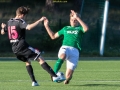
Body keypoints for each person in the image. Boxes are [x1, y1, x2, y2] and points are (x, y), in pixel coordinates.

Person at [1, 6, 64, 86]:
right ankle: (54, 76)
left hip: (15, 49)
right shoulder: (20, 21)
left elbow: (2, 32)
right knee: (40, 58)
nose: (25, 17)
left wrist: (3, 28)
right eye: (25, 15)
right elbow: (29, 27)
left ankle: (34, 82)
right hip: (22, 46)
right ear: (22, 15)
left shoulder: (9, 21)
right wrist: (39, 20)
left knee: (27, 61)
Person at [43, 10, 88, 84]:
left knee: (68, 76)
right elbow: (53, 36)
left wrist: (78, 17)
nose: (74, 21)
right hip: (65, 48)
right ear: (70, 20)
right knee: (62, 56)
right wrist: (46, 25)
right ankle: (53, 74)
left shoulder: (80, 29)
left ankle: (67, 80)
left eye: (75, 20)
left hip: (75, 51)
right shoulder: (65, 28)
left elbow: (86, 29)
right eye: (72, 19)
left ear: (78, 21)